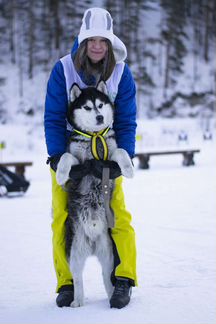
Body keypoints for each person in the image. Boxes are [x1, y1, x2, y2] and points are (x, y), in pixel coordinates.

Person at [44, 7, 137, 309]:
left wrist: (122, 158)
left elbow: (126, 119)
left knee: (118, 215)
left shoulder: (122, 72)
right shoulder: (63, 69)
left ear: (110, 44)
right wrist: (58, 157)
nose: (97, 46)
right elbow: (54, 117)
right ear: (83, 42)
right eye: (92, 40)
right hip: (70, 151)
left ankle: (122, 278)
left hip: (107, 150)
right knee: (61, 216)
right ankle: (68, 283)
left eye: (103, 41)